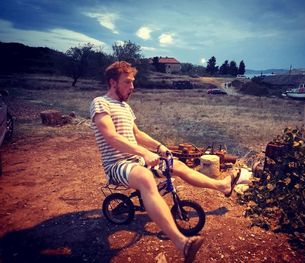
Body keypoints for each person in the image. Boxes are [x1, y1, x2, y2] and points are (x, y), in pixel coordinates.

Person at [90, 61, 241, 263]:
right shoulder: (100, 103)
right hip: (117, 165)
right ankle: (182, 244)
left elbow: (137, 134)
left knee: (177, 164)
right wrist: (144, 153)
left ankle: (222, 186)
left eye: (133, 82)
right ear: (112, 82)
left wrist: (159, 146)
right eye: (127, 82)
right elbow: (111, 137)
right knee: (145, 178)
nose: (132, 87)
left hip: (136, 160)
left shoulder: (125, 106)